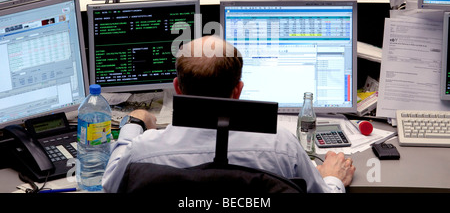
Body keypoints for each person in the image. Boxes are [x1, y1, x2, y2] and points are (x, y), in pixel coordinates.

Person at [102, 36, 355, 193]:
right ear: (238, 90)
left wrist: (134, 123)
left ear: (177, 89)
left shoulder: (144, 151)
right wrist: (332, 179)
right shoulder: (282, 146)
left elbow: (110, 185)